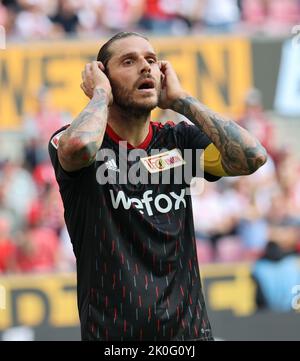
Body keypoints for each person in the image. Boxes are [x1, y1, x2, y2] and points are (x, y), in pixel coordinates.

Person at [48, 32, 267, 341]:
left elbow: (252, 156)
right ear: (103, 75)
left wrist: (181, 101)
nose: (146, 67)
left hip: (187, 337)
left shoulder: (180, 142)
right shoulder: (72, 140)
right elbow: (80, 147)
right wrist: (99, 95)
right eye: (129, 61)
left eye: (151, 60)